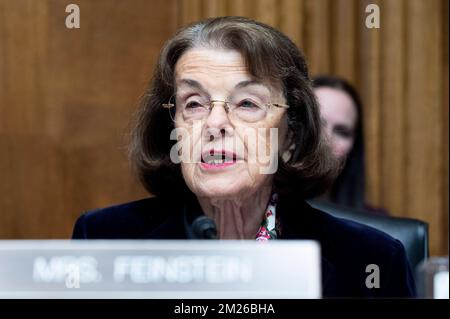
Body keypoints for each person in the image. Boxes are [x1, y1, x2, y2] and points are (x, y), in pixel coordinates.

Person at [72, 16, 415, 297]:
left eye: (247, 103)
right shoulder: (105, 238)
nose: (215, 123)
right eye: (194, 103)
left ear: (290, 136)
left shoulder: (370, 260)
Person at [312, 75, 388, 214]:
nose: (326, 140)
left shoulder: (377, 227)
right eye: (316, 124)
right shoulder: (263, 213)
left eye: (342, 132)